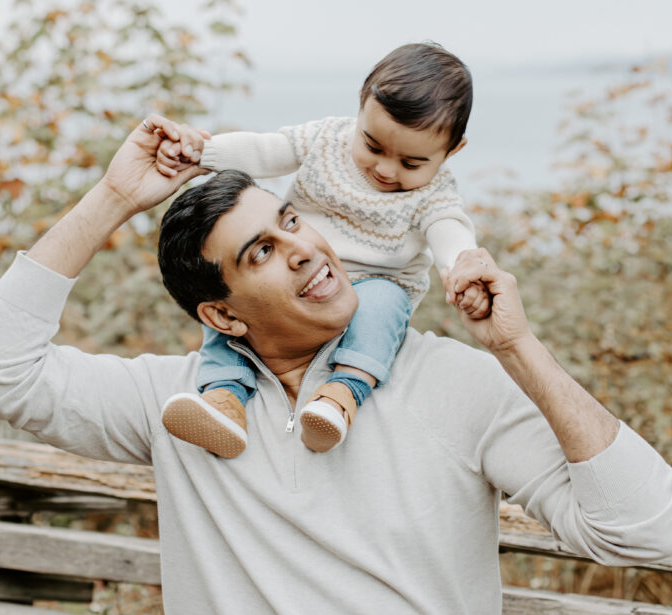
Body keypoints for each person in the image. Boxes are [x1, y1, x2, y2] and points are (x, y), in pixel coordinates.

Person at [0, 114, 672, 615]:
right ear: (224, 317)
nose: (301, 247)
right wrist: (113, 197)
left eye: (289, 220)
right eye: (261, 252)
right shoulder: (178, 408)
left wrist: (519, 349)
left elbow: (640, 530)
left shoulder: (455, 380)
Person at [155, 42, 489, 458]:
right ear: (360, 111)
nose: (386, 170)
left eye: (411, 163)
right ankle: (223, 400)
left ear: (451, 151)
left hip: (375, 283)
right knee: (232, 302)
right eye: (373, 146)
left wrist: (462, 269)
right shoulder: (327, 140)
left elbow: (449, 229)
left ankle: (340, 397)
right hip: (297, 270)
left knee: (383, 306)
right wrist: (203, 153)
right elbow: (267, 150)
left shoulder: (435, 193)